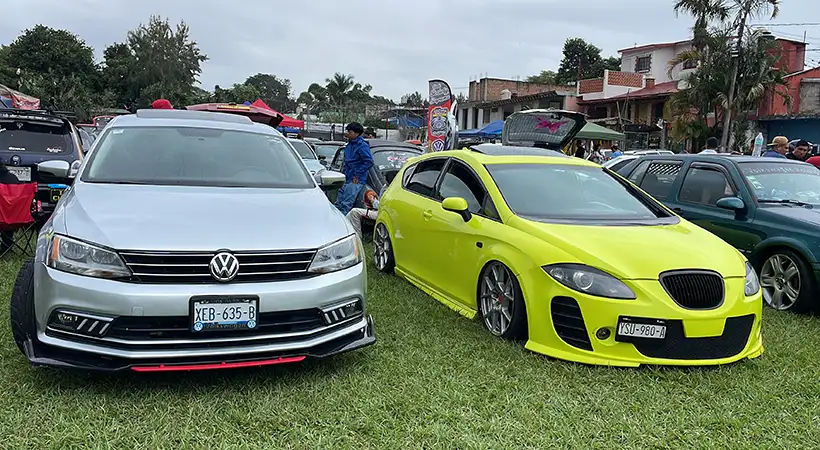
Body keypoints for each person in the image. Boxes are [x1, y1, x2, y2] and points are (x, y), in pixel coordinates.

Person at [334, 122, 373, 215]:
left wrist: (357, 174)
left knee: (345, 205)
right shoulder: (349, 145)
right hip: (346, 177)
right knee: (338, 204)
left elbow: (369, 161)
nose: (347, 133)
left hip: (355, 180)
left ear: (357, 133)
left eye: (350, 132)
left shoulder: (362, 146)